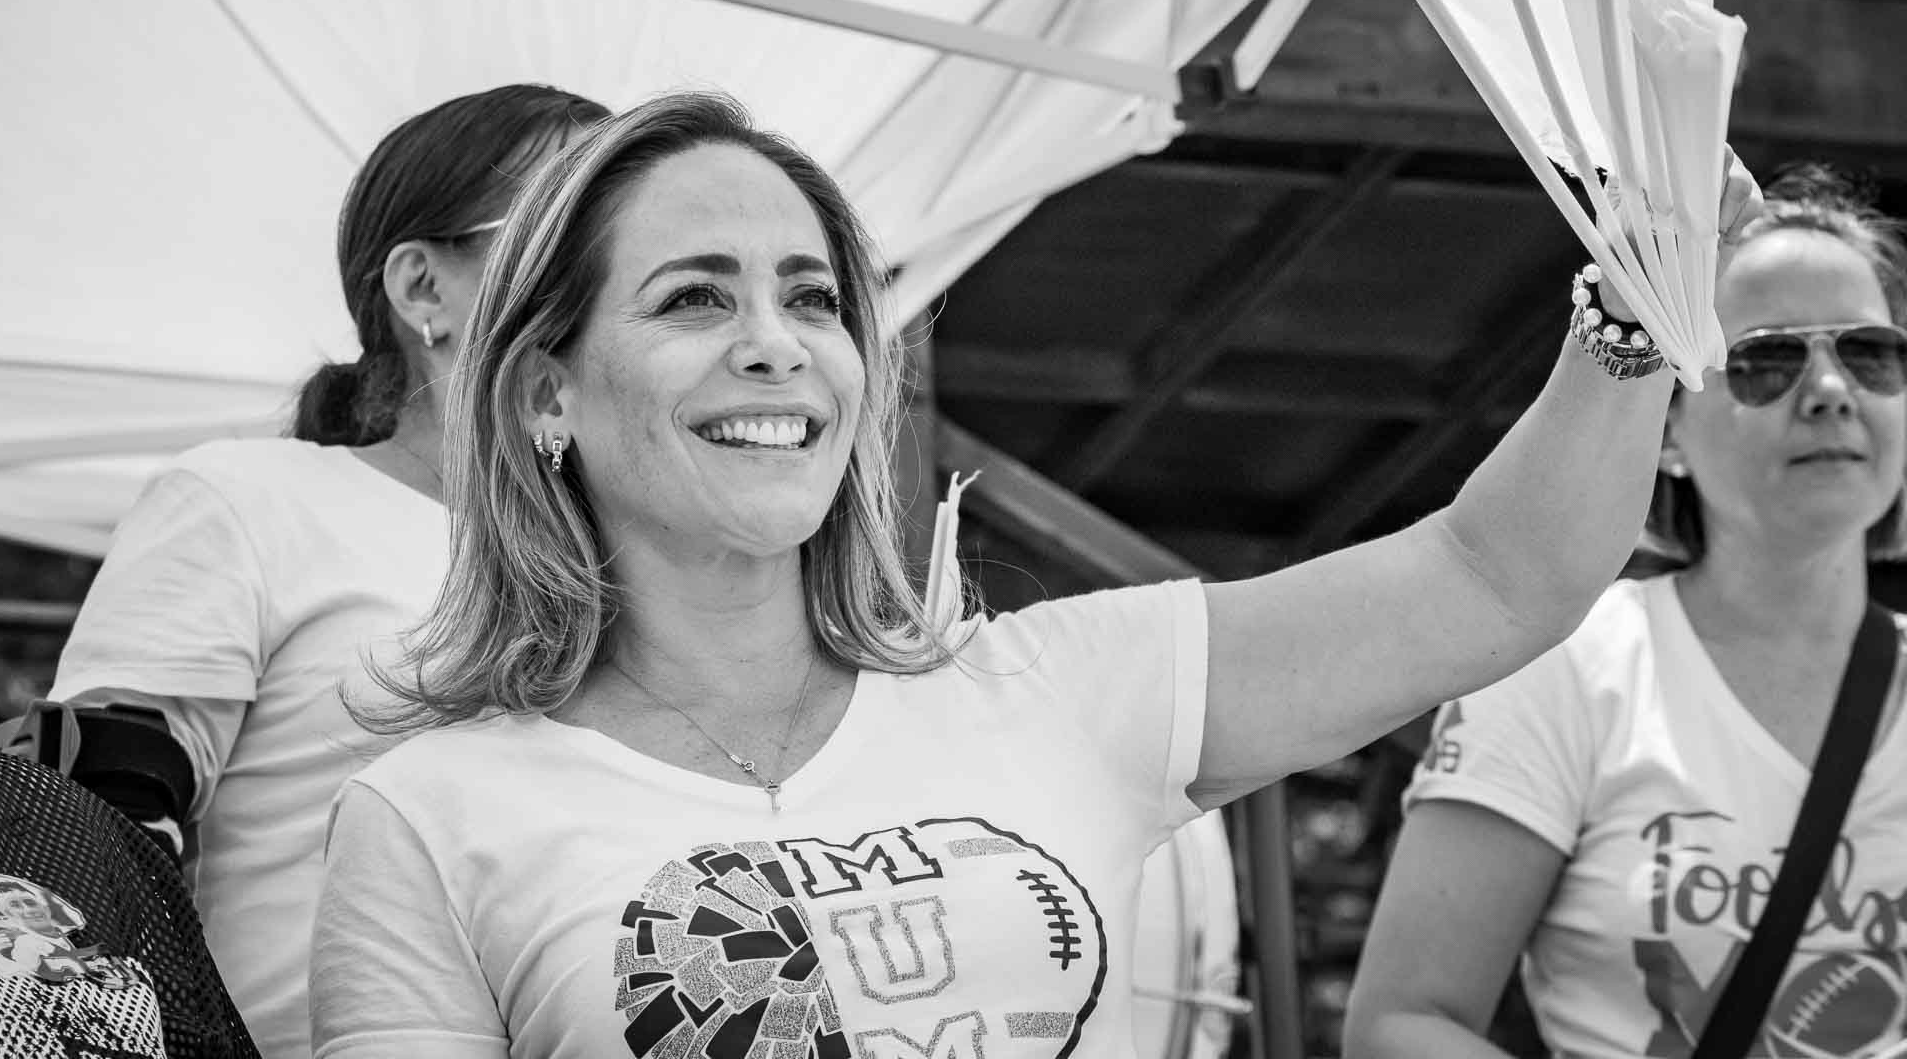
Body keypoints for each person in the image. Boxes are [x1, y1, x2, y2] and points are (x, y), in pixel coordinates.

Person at [307, 91, 1760, 1058]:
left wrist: (1631, 315)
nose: (776, 345)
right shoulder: (432, 816)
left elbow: (1495, 576)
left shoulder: (1052, 688)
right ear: (545, 394)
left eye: (815, 298)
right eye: (694, 298)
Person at [39, 83, 610, 1059]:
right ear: (422, 288)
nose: (607, 265)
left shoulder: (637, 545)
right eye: (561, 229)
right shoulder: (246, 498)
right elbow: (91, 834)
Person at [1343, 166, 1907, 1059]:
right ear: (1669, 427)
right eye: (1766, 360)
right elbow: (1400, 1026)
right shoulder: (1566, 671)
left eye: (1870, 352)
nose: (1832, 389)